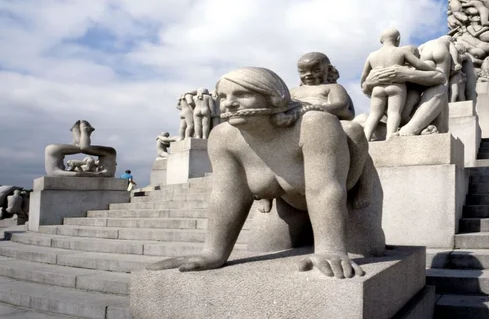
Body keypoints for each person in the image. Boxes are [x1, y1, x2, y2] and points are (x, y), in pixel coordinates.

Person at [148, 67, 385, 279]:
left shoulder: (314, 124)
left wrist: (330, 248)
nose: (228, 104)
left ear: (273, 98)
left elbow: (325, 189)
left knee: (364, 251)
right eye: (223, 97)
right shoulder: (223, 136)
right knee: (264, 247)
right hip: (286, 203)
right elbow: (227, 195)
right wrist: (213, 253)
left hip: (350, 199)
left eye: (241, 95)